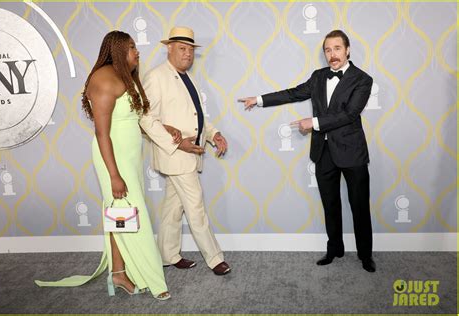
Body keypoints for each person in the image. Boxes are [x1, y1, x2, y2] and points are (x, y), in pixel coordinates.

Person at [35, 31, 172, 299]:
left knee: (121, 217)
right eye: (132, 47)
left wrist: (167, 129)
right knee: (131, 215)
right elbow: (102, 133)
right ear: (118, 49)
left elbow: (137, 119)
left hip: (130, 158)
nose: (137, 51)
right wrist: (114, 175)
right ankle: (154, 280)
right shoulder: (104, 79)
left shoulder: (125, 77)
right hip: (114, 159)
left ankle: (119, 273)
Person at [239, 30, 376, 273]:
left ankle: (366, 255)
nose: (332, 54)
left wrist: (312, 123)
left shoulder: (363, 79)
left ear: (348, 50)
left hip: (352, 153)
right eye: (327, 50)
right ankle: (335, 249)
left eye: (336, 48)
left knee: (359, 207)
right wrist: (258, 99)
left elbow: (349, 114)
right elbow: (292, 93)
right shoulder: (318, 76)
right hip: (323, 151)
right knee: (330, 204)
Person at [139, 26, 231, 276]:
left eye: (190, 49)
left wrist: (214, 135)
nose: (187, 54)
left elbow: (198, 117)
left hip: (188, 155)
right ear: (169, 48)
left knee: (173, 208)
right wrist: (179, 143)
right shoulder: (156, 77)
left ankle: (167, 255)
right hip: (176, 155)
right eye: (182, 48)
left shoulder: (188, 77)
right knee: (195, 206)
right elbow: (146, 119)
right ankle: (214, 258)